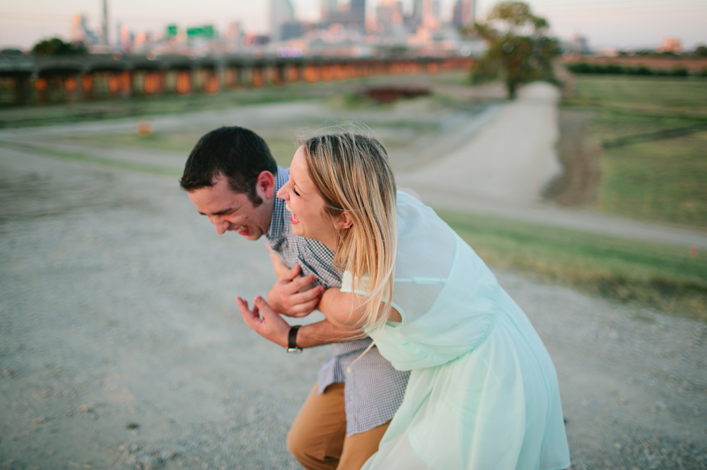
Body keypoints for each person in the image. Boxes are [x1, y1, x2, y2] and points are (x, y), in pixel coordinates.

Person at [237, 133, 571, 469]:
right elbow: (411, 192)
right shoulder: (385, 206)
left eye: (295, 190)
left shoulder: (377, 291)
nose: (282, 194)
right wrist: (282, 271)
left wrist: (292, 323)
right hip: (490, 338)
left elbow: (337, 308)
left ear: (345, 217)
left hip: (486, 379)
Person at [179, 127, 410, 470]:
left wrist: (290, 336)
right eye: (208, 216)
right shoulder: (273, 213)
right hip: (350, 358)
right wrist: (278, 293)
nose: (219, 227)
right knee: (308, 447)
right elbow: (288, 262)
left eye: (225, 212)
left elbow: (370, 315)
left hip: (392, 356)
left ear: (266, 184)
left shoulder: (310, 227)